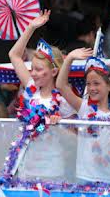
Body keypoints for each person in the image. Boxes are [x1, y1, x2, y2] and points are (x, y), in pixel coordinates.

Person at [8, 10, 93, 180]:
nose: (33, 74)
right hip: (25, 168)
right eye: (32, 68)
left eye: (39, 70)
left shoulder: (63, 100)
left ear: (54, 71)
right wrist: (31, 27)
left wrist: (59, 125)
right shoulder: (31, 89)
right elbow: (14, 55)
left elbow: (76, 138)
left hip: (52, 172)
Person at [56, 56, 110, 183]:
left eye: (96, 83)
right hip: (84, 177)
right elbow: (60, 85)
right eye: (88, 84)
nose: (91, 88)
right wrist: (69, 58)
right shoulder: (85, 108)